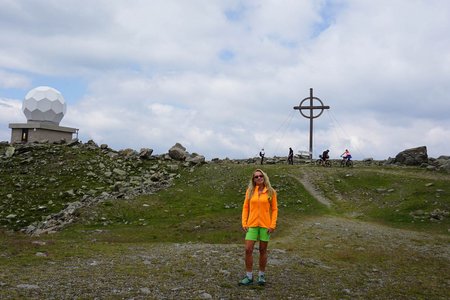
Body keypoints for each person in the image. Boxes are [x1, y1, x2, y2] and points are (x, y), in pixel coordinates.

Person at [239, 169, 278, 286]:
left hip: (265, 226)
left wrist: (272, 225)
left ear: (264, 177)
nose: (259, 178)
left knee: (262, 250)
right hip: (252, 225)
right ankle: (249, 276)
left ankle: (261, 276)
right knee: (248, 249)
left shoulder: (271, 192)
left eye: (260, 176)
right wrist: (244, 223)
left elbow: (275, 209)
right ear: (253, 180)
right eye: (256, 177)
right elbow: (245, 207)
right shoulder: (250, 191)